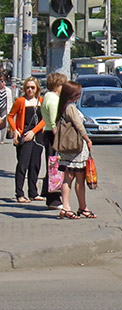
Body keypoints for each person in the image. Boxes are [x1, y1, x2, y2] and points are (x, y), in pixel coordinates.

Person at [52, 81, 94, 220]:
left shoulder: (63, 106)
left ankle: (67, 207)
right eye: (78, 93)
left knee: (68, 178)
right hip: (76, 147)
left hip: (67, 148)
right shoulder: (71, 107)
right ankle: (80, 207)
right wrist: (87, 139)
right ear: (73, 94)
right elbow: (78, 125)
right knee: (78, 179)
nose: (80, 95)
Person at [8, 77, 45, 203]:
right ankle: (19, 193)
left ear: (37, 89)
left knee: (35, 165)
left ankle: (33, 192)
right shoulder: (20, 101)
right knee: (22, 165)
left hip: (37, 137)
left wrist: (34, 132)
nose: (30, 90)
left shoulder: (41, 101)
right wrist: (15, 130)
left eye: (32, 87)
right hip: (24, 135)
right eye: (28, 87)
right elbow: (10, 116)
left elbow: (44, 119)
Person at [40, 72, 68, 208]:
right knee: (55, 166)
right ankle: (53, 199)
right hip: (53, 134)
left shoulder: (46, 96)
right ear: (57, 85)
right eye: (62, 84)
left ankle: (49, 194)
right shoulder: (54, 99)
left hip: (48, 133)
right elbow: (53, 120)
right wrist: (60, 138)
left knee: (52, 165)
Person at [0, 71, 11, 145]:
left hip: (4, 108)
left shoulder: (8, 91)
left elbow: (9, 101)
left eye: (4, 81)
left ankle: (1, 139)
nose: (3, 83)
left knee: (3, 124)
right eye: (1, 81)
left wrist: (9, 112)